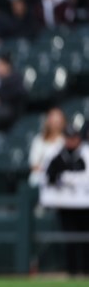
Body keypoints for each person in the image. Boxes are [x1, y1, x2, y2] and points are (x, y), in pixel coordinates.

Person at [42, 124, 89, 275]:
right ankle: (73, 272)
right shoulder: (57, 154)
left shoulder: (85, 153)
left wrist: (67, 177)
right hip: (65, 204)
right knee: (70, 240)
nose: (71, 141)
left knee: (85, 239)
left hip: (85, 204)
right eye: (68, 137)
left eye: (74, 137)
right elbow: (49, 177)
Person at [28, 107, 66, 187]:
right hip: (41, 178)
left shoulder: (67, 140)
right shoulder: (39, 140)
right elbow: (33, 164)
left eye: (57, 120)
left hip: (62, 179)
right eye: (53, 119)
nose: (55, 123)